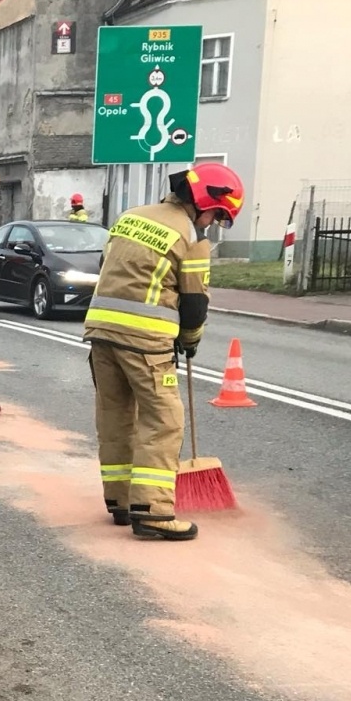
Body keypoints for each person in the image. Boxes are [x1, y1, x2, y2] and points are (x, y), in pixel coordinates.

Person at [85, 163, 243, 541]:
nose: (214, 223)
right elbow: (194, 303)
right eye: (218, 215)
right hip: (146, 341)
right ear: (205, 202)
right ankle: (153, 511)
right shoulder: (191, 237)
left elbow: (107, 267)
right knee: (164, 420)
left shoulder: (129, 218)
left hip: (101, 333)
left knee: (115, 416)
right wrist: (190, 340)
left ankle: (121, 503)